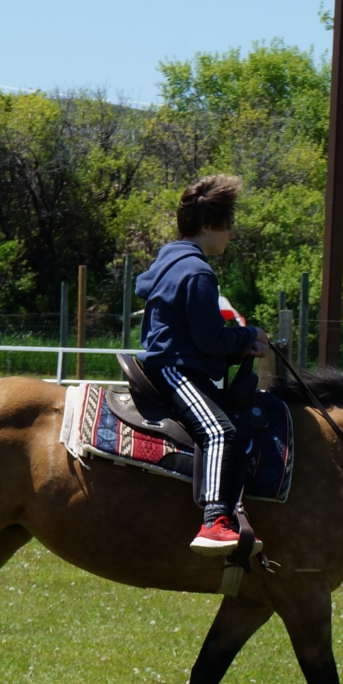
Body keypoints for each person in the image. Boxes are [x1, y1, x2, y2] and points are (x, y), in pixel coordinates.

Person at [134, 174, 271, 555]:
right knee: (219, 431)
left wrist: (241, 345)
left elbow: (200, 337)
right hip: (175, 369)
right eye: (227, 225)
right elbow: (210, 340)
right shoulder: (196, 272)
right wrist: (249, 336)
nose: (231, 233)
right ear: (208, 226)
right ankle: (214, 522)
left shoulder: (173, 261)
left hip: (175, 362)